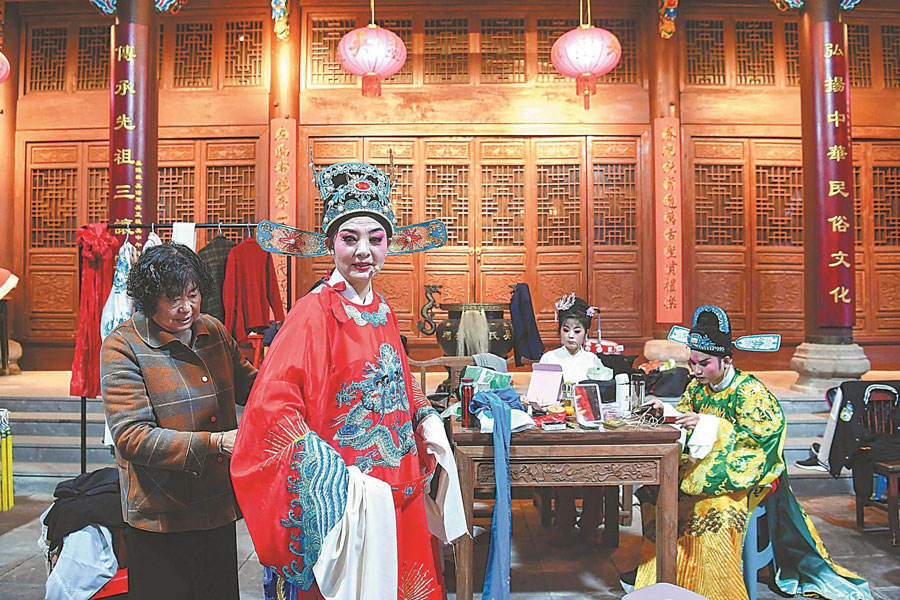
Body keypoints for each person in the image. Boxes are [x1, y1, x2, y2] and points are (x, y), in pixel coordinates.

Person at [230, 161, 465, 600]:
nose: (363, 251)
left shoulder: (384, 311)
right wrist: (333, 478)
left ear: (389, 244)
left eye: (375, 239)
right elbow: (273, 409)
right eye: (349, 238)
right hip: (347, 498)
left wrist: (424, 414)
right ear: (330, 243)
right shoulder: (311, 313)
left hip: (400, 484)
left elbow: (399, 378)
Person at [624, 305, 872, 600]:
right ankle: (662, 572)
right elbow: (685, 419)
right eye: (692, 363)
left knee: (712, 506)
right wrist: (666, 412)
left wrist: (708, 424)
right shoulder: (697, 388)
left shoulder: (750, 391)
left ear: (727, 360)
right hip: (704, 467)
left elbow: (761, 440)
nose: (696, 370)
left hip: (745, 474)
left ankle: (712, 588)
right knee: (656, 492)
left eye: (704, 364)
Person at [100, 242, 257, 600]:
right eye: (174, 298)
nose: (186, 308)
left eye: (193, 294)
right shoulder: (123, 346)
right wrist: (216, 442)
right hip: (161, 512)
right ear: (149, 298)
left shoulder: (212, 330)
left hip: (216, 504)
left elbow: (252, 386)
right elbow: (132, 436)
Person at [539, 293, 612, 546]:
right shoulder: (549, 358)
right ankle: (564, 520)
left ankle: (591, 521)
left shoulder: (592, 360)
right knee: (562, 468)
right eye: (566, 330)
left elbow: (601, 396)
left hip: (587, 424)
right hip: (559, 423)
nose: (571, 336)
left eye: (577, 331)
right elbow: (542, 397)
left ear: (585, 334)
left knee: (595, 467)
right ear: (559, 330)